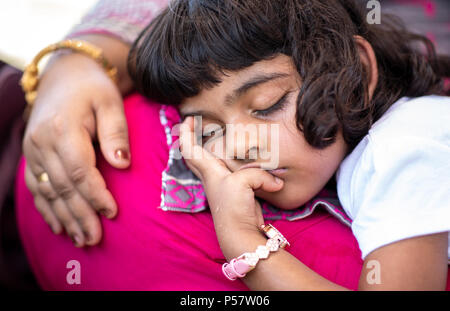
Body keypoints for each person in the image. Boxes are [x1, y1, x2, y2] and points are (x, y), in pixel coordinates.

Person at [14, 0, 449, 290]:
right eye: (206, 129)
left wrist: (247, 248)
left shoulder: (406, 146)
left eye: (266, 104)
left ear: (357, 68)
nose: (238, 145)